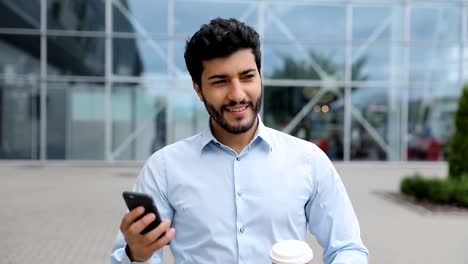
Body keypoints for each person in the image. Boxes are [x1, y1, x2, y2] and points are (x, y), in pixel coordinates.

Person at [111, 17, 369, 264]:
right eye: (220, 81)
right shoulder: (164, 168)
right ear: (198, 89)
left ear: (259, 75)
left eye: (247, 77)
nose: (237, 94)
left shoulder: (309, 160)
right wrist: (137, 255)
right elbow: (126, 257)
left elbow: (347, 248)